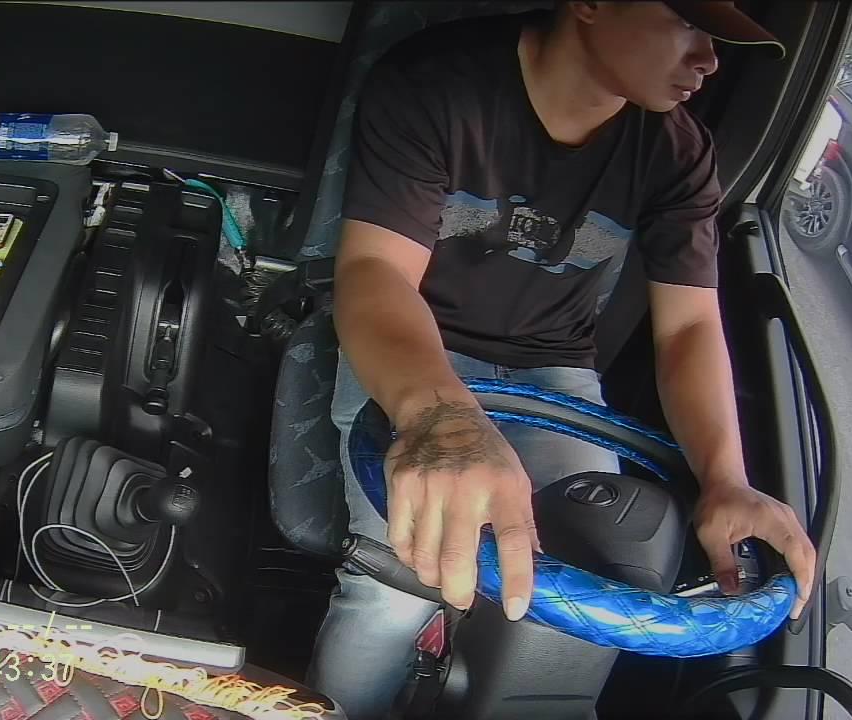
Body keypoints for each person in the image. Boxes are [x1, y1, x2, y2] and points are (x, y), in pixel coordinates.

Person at [307, 2, 818, 718]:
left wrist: (725, 478)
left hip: (555, 373)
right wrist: (444, 418)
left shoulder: (678, 151)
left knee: (586, 597)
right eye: (690, 24)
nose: (709, 60)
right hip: (414, 344)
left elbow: (689, 328)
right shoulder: (438, 83)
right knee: (394, 592)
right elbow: (377, 273)